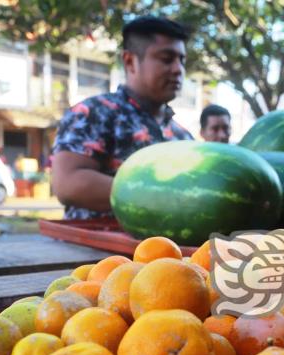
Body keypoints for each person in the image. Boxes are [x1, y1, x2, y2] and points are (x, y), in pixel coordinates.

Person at [51, 16, 193, 219]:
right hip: (93, 249)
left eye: (182, 60)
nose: (178, 69)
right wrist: (163, 198)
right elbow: (68, 183)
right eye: (166, 58)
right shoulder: (93, 113)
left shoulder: (183, 137)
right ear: (129, 61)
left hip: (164, 250)